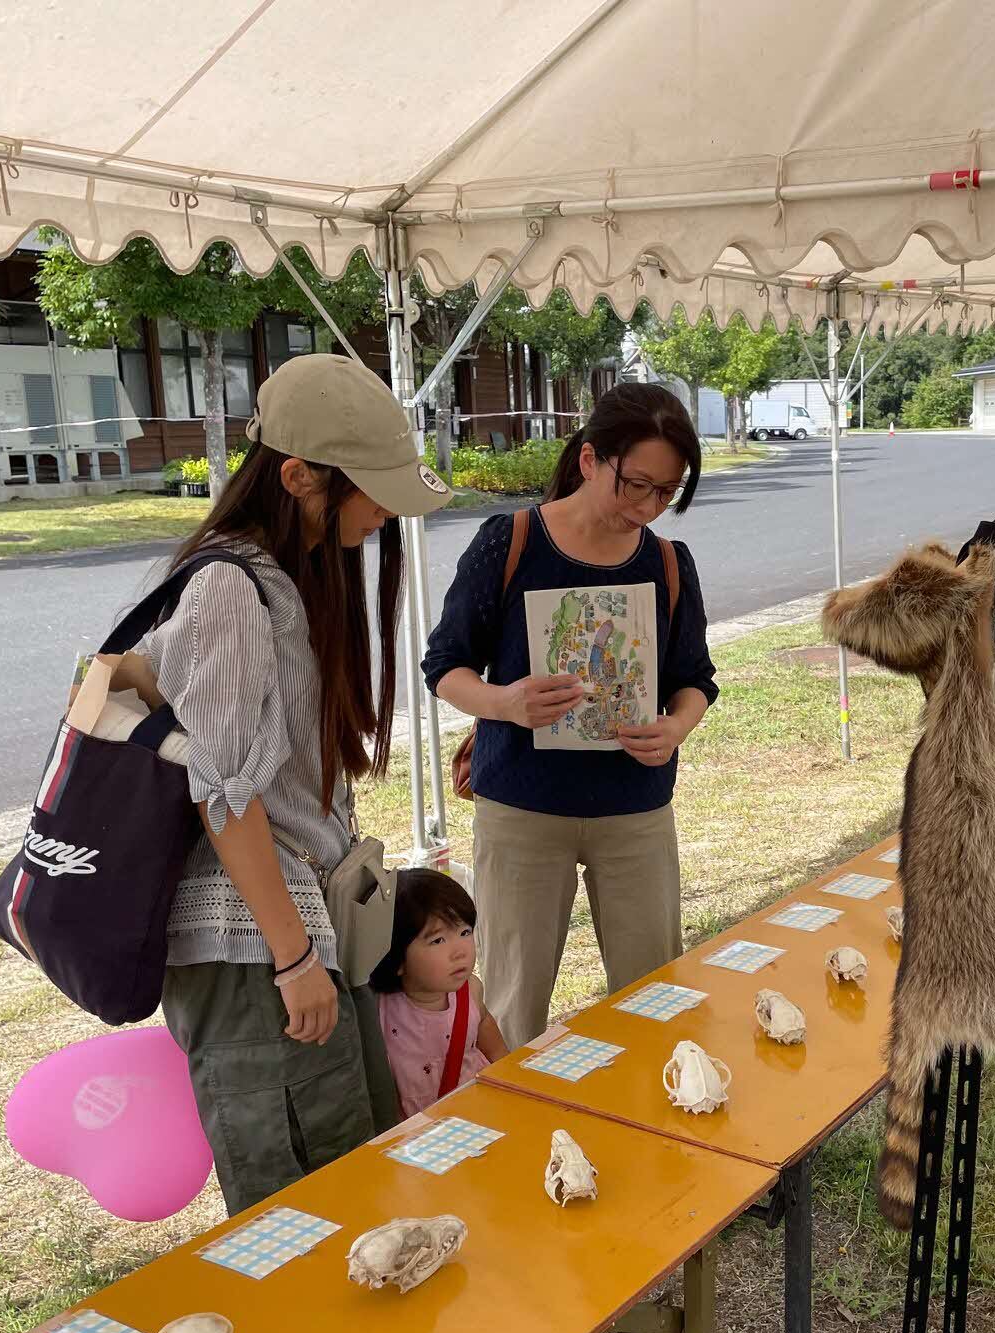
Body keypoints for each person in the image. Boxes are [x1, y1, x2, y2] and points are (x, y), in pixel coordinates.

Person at [127, 355, 440, 1213]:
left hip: (294, 923)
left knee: (347, 1163)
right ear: (297, 475)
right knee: (292, 1195)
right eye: (370, 490)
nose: (381, 514)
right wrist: (295, 956)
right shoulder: (231, 587)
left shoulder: (290, 572)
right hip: (252, 941)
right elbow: (223, 796)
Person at [425, 383, 716, 1048]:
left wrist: (675, 727)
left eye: (666, 492)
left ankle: (654, 1130)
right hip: (524, 810)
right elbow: (445, 666)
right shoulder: (512, 542)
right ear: (589, 461)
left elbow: (694, 680)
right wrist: (505, 703)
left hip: (635, 810)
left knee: (654, 1001)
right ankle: (511, 1137)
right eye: (635, 484)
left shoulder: (668, 562)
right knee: (510, 1005)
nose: (647, 508)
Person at [371, 869, 507, 1118]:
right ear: (396, 957)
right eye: (438, 941)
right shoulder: (380, 1010)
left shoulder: (471, 991)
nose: (460, 951)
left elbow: (497, 1052)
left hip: (479, 1115)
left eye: (465, 932)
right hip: (415, 1134)